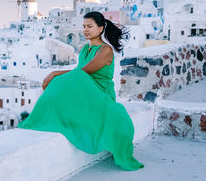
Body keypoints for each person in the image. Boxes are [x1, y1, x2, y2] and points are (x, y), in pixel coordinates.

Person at [17, 11, 144, 171]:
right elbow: (78, 74)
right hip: (86, 89)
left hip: (100, 92)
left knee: (63, 79)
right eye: (84, 26)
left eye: (89, 26)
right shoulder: (85, 49)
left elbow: (83, 72)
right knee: (63, 82)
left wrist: (55, 73)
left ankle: (45, 115)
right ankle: (44, 118)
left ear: (100, 28)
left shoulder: (105, 50)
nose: (85, 30)